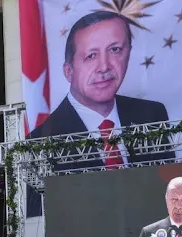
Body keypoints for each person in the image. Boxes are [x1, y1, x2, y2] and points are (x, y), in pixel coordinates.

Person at [29, 11, 174, 169]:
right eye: (91, 56)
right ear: (68, 71)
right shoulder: (40, 142)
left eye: (115, 50)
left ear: (129, 53)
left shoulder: (152, 115)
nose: (104, 66)